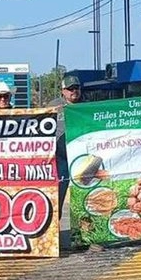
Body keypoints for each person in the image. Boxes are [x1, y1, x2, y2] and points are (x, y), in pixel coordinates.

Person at [50, 74, 83, 217]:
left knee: (82, 191)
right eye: (70, 89)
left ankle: (81, 232)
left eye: (76, 88)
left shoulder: (88, 107)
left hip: (80, 157)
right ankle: (53, 226)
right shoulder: (53, 106)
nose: (74, 91)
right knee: (59, 191)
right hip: (60, 157)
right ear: (63, 91)